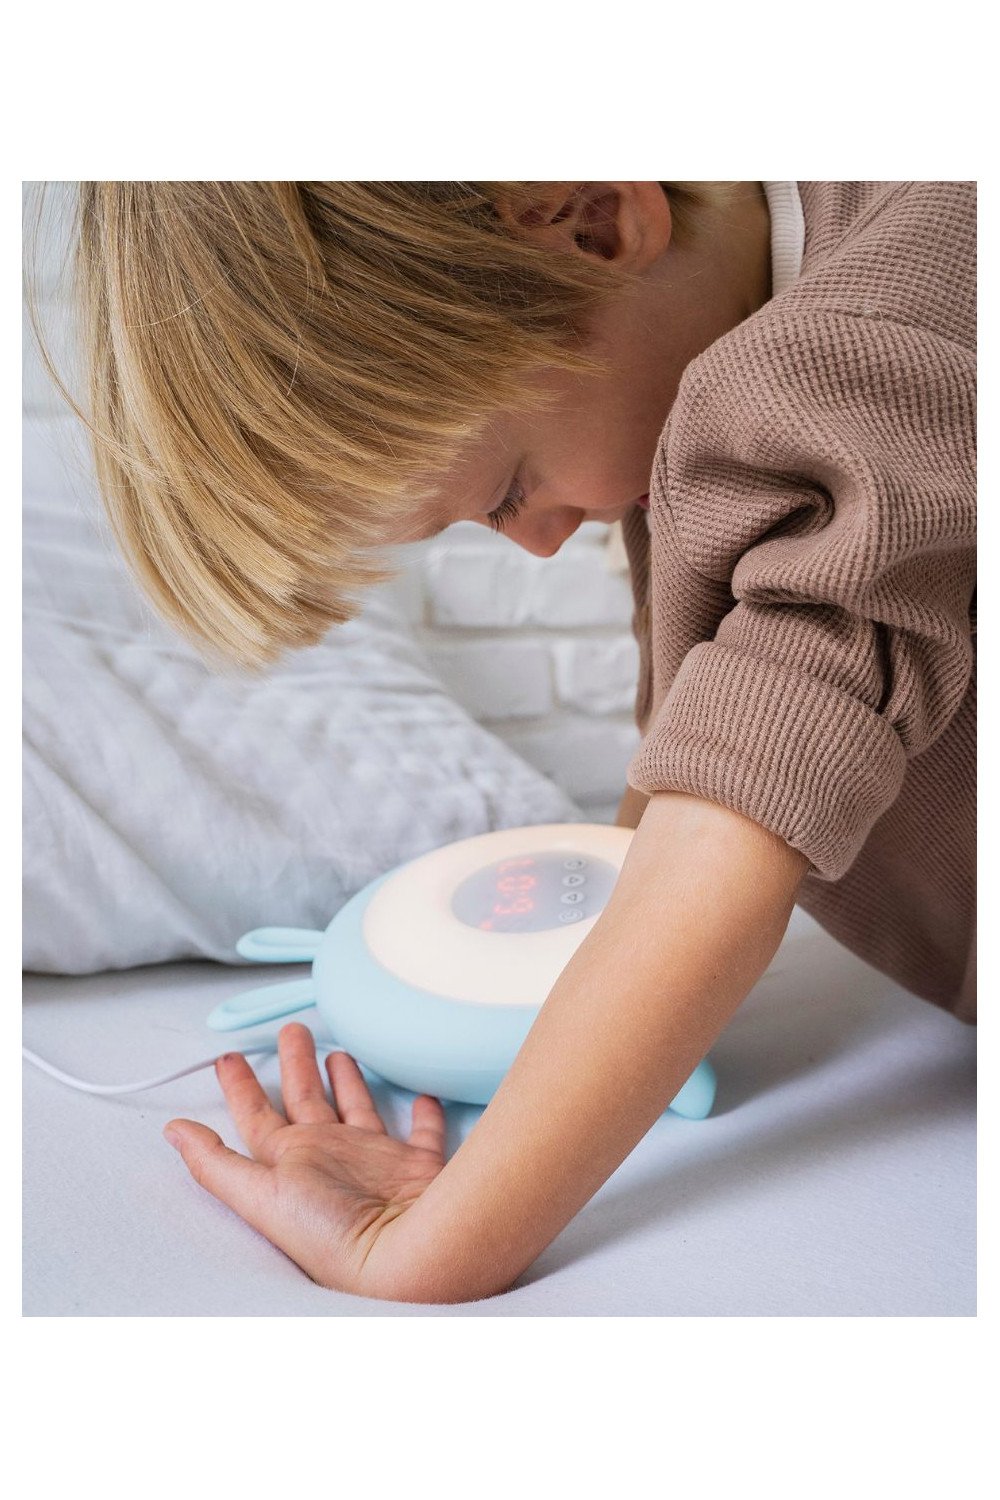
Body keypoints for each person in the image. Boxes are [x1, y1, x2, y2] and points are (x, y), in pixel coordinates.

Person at [62, 182, 976, 1303]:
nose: (539, 543)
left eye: (507, 489)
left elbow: (738, 815)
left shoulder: (882, 330)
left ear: (596, 226)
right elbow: (701, 738)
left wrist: (424, 1242)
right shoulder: (719, 349)